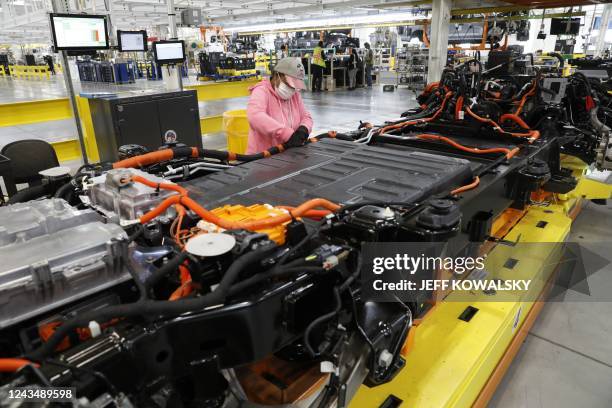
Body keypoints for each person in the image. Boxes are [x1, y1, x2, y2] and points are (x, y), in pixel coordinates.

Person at [246, 57, 313, 154]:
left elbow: (306, 117)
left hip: (288, 155)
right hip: (262, 158)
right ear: (277, 75)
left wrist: (304, 128)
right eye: (289, 84)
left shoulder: (294, 95)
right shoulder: (261, 91)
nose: (292, 89)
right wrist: (286, 134)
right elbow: (255, 116)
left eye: (295, 86)